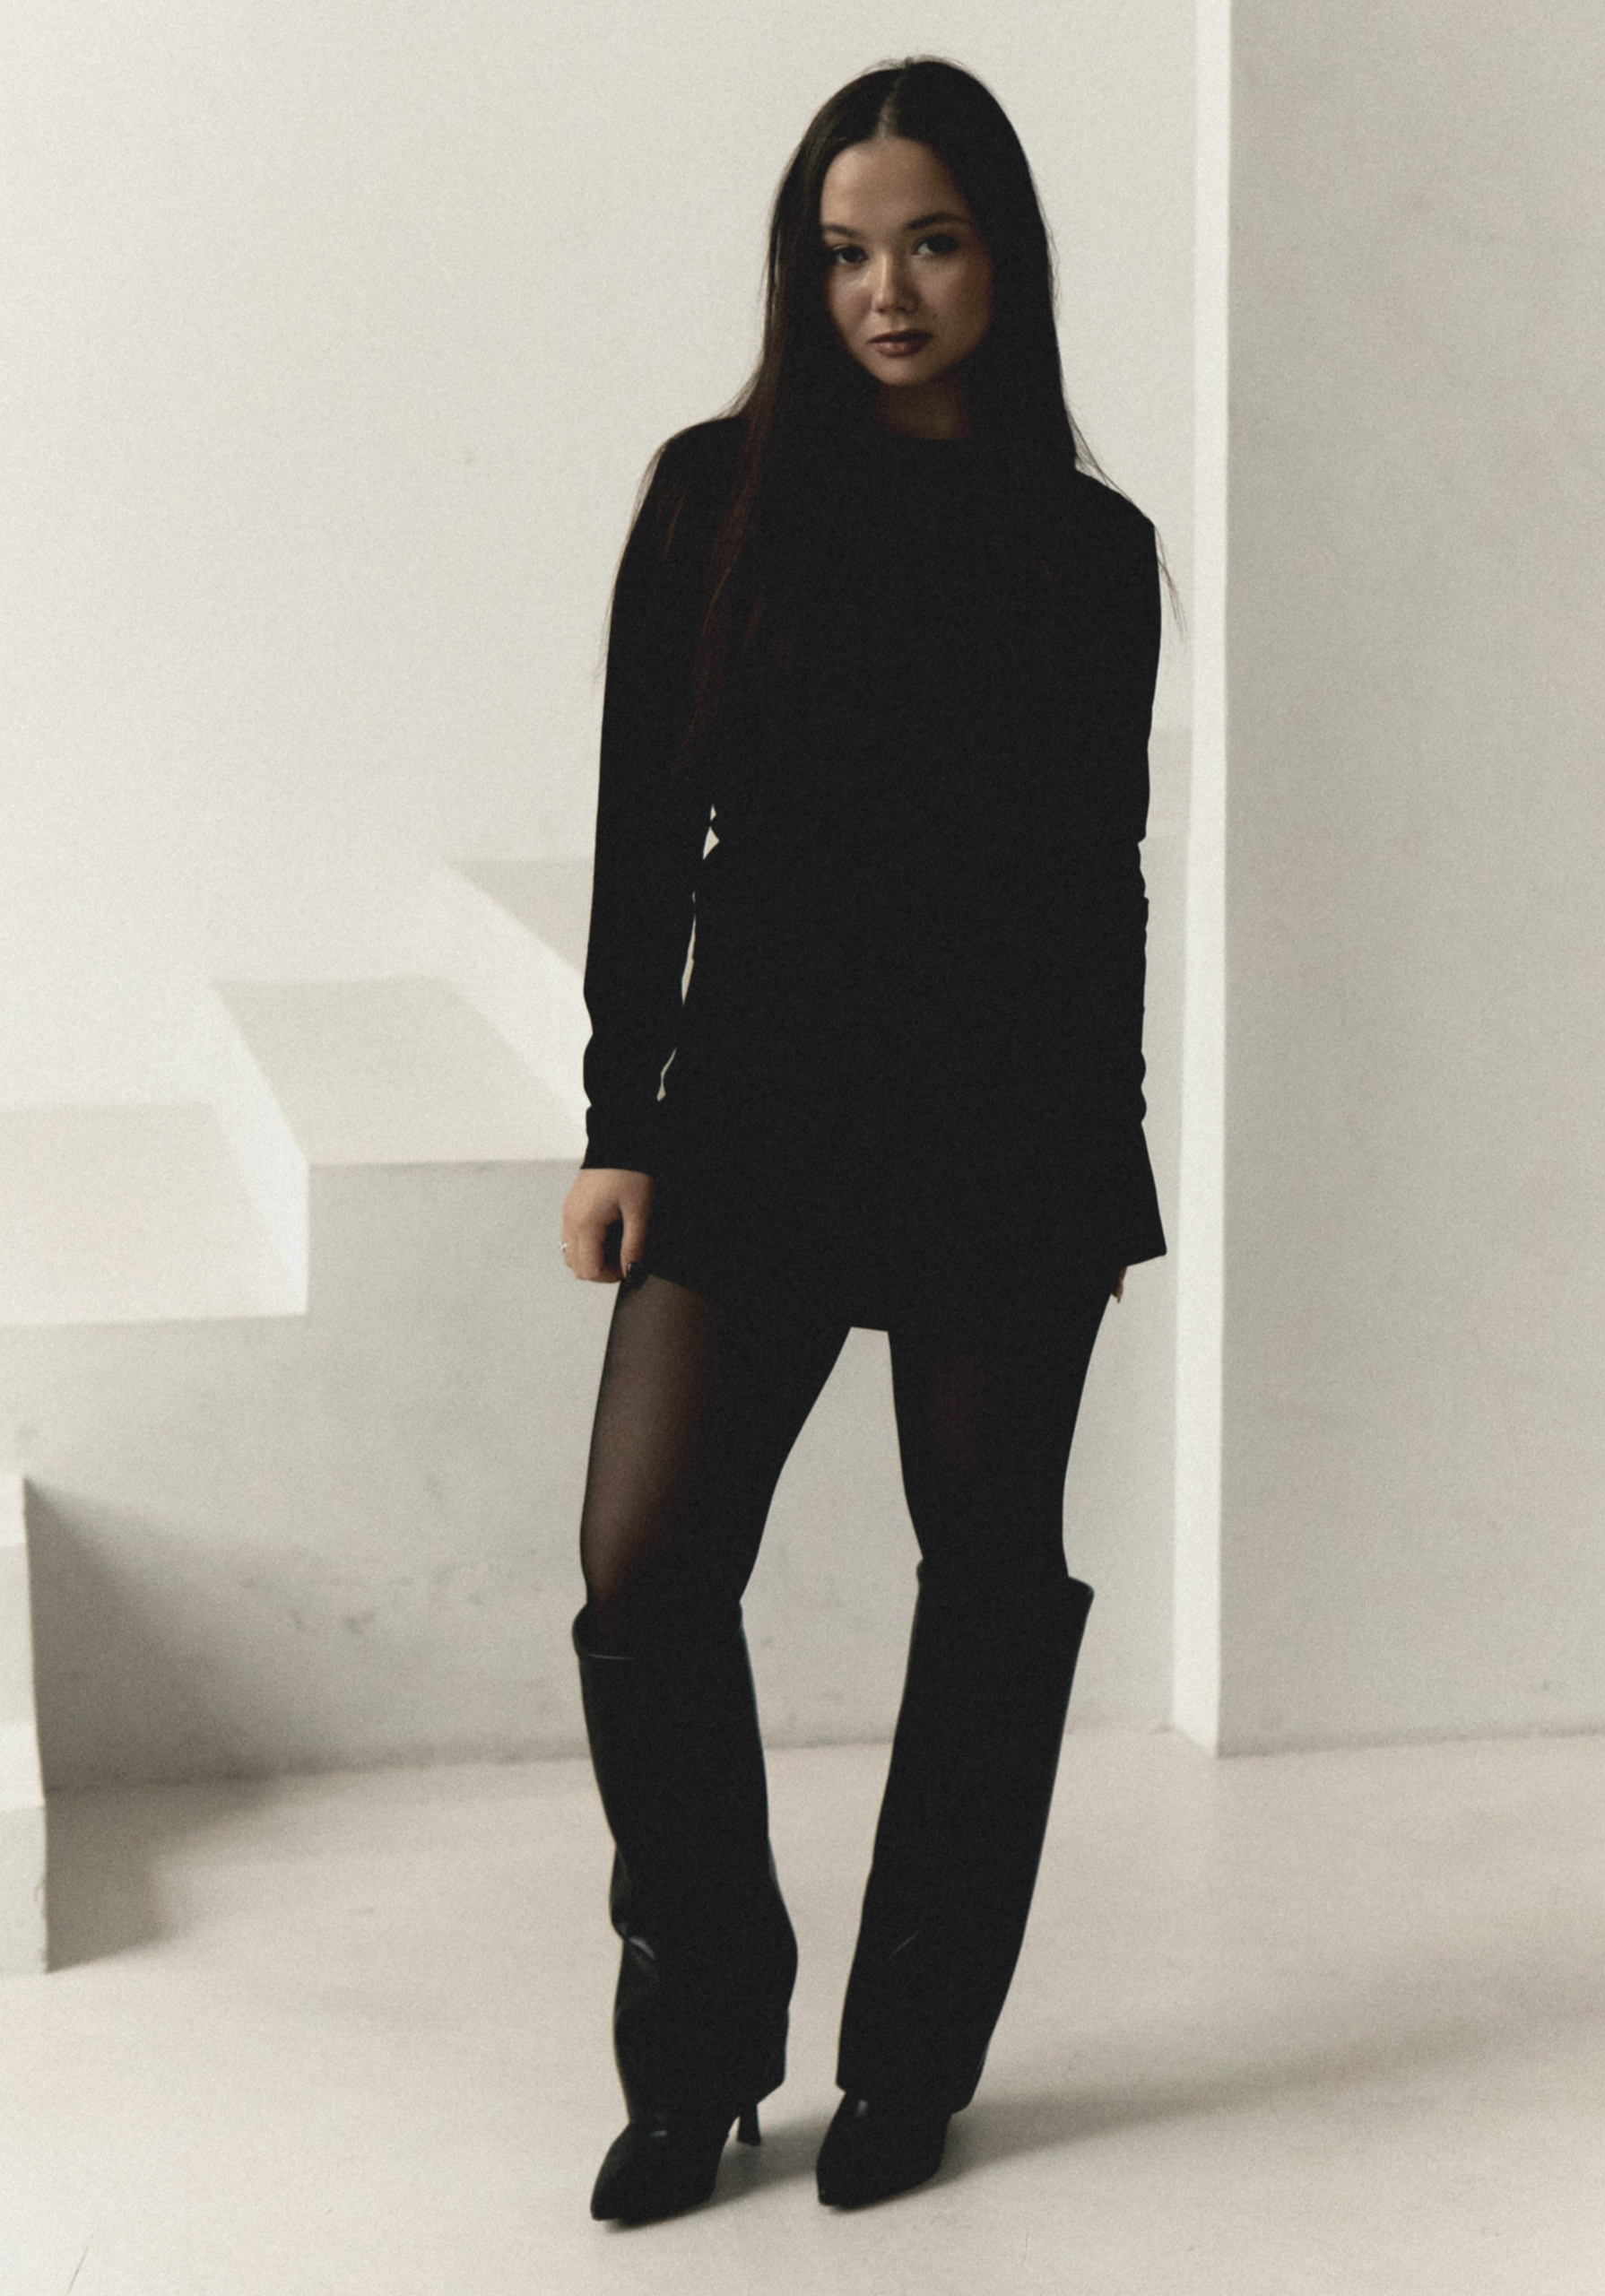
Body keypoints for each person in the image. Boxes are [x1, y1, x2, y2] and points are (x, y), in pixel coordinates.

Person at [558, 55, 1166, 2225]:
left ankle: (914, 2058)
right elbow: (647, 834)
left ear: (1004, 258)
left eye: (928, 244)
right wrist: (621, 1114)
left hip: (1006, 1122)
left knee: (987, 1585)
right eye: (841, 253)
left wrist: (1103, 1158)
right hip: (761, 1105)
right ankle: (703, 2041)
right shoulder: (713, 492)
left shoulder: (1091, 547)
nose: (884, 292)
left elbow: (1099, 877)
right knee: (644, 1572)